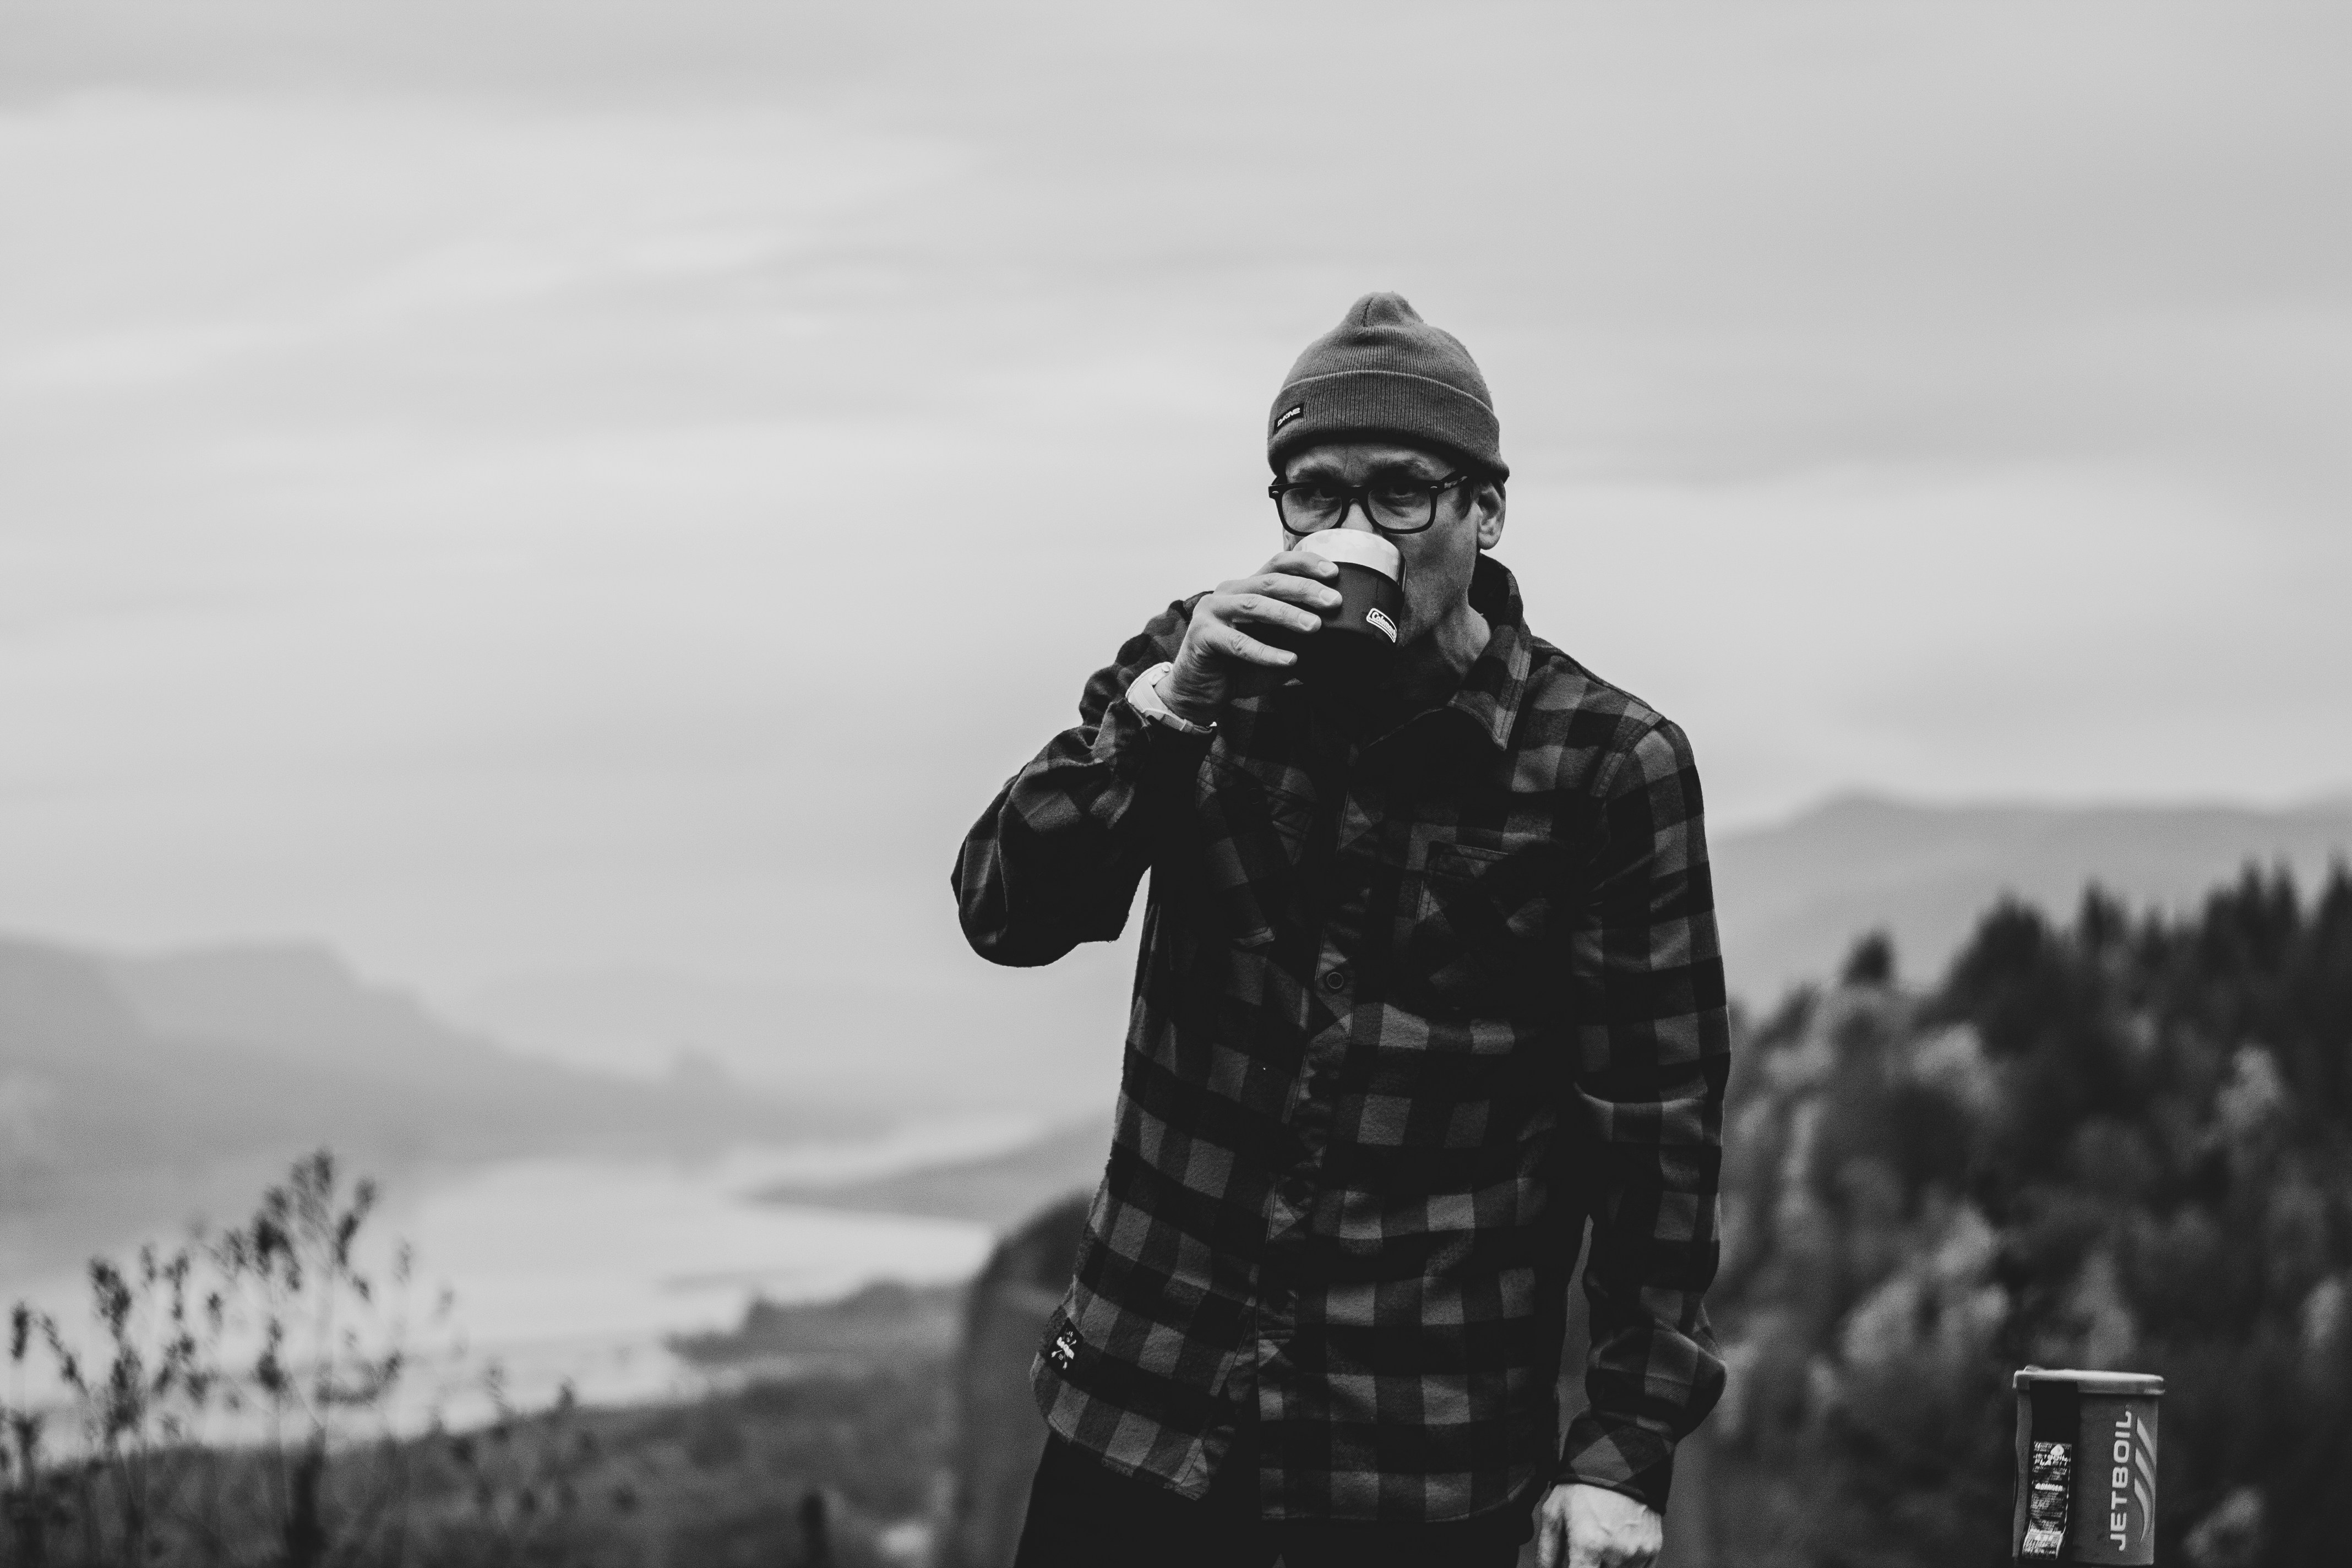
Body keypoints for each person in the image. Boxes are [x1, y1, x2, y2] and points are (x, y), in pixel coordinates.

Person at [953, 293, 1729, 1568]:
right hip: (1141, 1418)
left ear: (1485, 509)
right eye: (1313, 495)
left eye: (1401, 494)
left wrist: (1621, 1456)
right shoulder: (1192, 674)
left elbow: (1657, 1139)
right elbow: (1006, 910)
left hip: (1418, 1461)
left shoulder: (1604, 763)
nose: (1354, 531)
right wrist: (1174, 708)